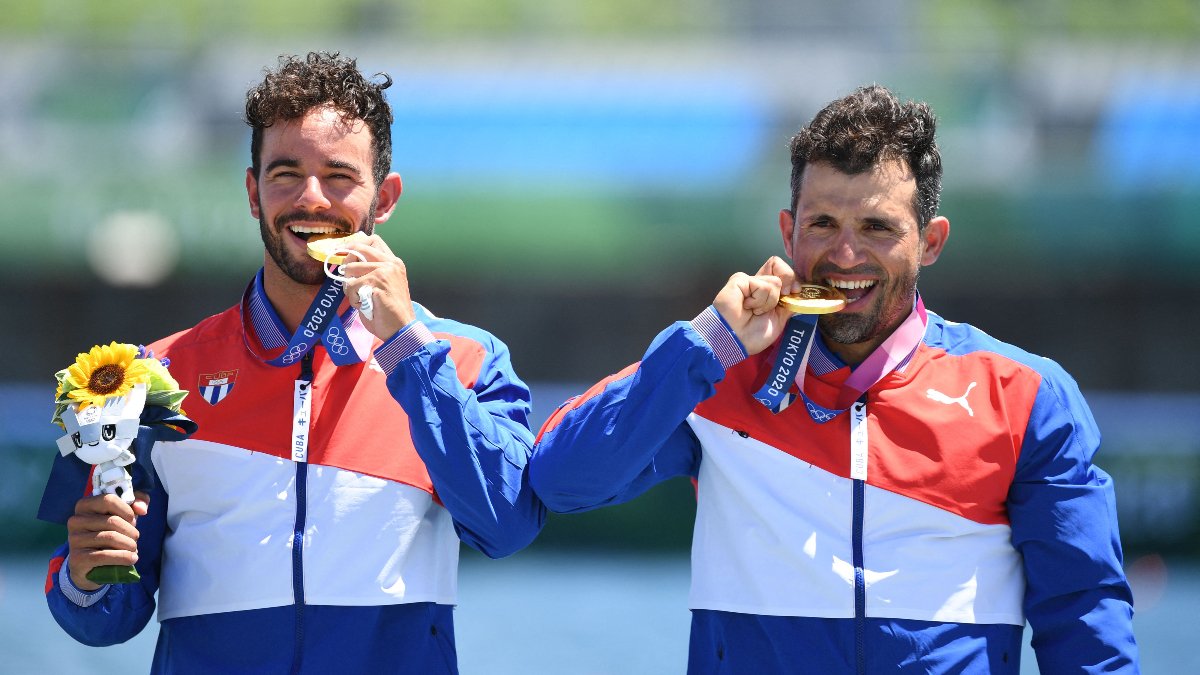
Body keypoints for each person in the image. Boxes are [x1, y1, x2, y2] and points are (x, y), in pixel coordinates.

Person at [530, 85, 1139, 673]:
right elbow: (560, 480)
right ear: (787, 231)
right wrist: (709, 341)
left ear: (930, 242)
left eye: (877, 227)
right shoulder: (719, 371)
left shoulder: (1023, 395)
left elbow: (1085, 615)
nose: (846, 255)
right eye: (822, 223)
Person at [39, 51, 545, 673]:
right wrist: (87, 575)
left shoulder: (463, 359)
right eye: (286, 174)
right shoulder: (150, 378)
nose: (311, 199)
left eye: (339, 176)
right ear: (253, 193)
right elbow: (103, 619)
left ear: (385, 197)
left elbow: (506, 524)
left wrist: (409, 351)